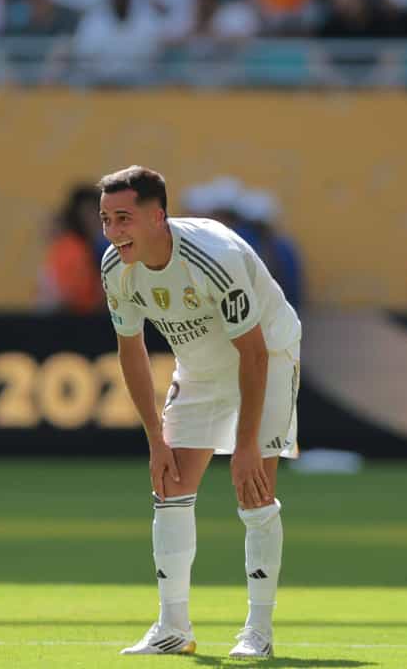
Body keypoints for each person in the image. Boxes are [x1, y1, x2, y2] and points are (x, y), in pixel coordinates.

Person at [97, 166, 301, 658]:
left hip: (267, 356)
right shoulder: (114, 267)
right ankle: (173, 627)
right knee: (169, 485)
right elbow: (132, 350)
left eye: (123, 218)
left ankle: (259, 632)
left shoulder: (214, 257)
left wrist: (246, 445)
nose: (113, 232)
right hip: (200, 367)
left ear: (157, 217)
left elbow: (252, 354)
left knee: (254, 491)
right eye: (106, 220)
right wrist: (154, 439)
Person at [37, 183, 106, 313]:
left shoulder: (97, 248)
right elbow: (70, 296)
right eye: (88, 213)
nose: (95, 219)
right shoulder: (71, 249)